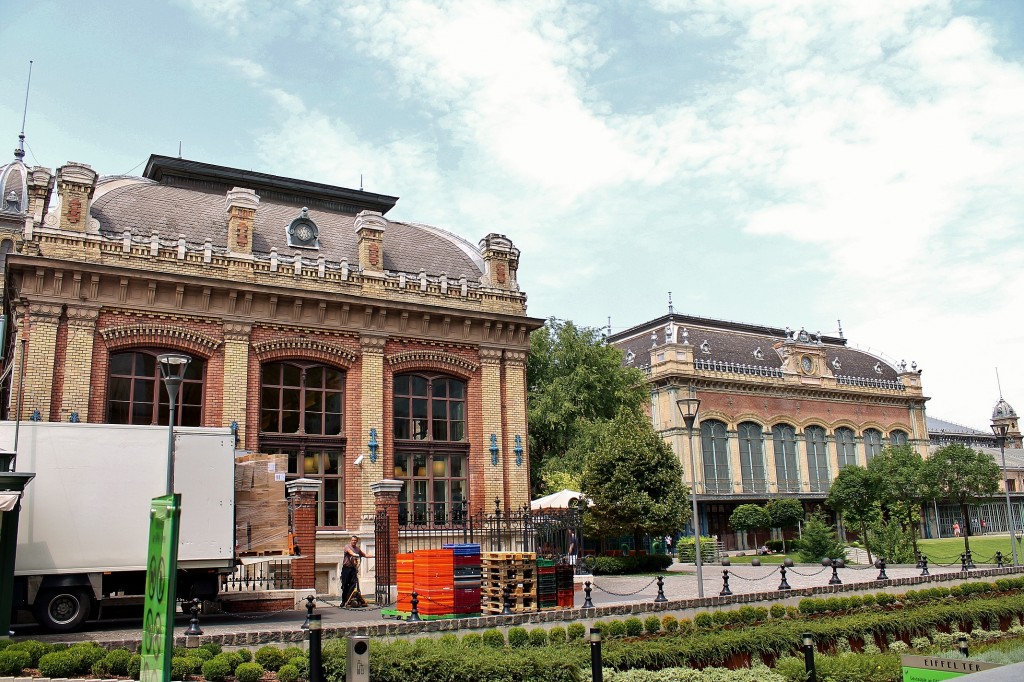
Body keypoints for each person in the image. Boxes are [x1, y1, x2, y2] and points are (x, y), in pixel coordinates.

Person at [341, 535, 372, 605]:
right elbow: (350, 552)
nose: (353, 542)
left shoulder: (357, 549)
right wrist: (355, 554)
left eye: (355, 540)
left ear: (357, 541)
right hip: (346, 568)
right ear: (350, 541)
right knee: (345, 585)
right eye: (352, 540)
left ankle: (349, 600)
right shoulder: (347, 546)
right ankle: (343, 601)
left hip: (353, 569)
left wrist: (374, 556)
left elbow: (364, 555)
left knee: (353, 584)